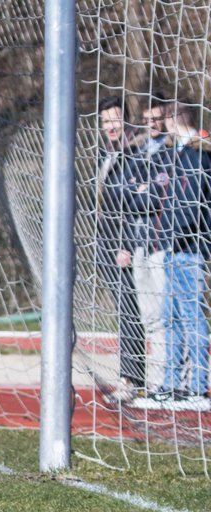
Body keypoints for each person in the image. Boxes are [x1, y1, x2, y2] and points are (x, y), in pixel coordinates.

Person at [144, 101, 210, 411]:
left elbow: (191, 203)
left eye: (164, 119)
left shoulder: (200, 153)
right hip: (171, 249)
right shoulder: (176, 153)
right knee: (169, 318)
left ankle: (198, 385)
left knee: (191, 317)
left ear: (174, 119)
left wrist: (167, 233)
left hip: (189, 250)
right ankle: (170, 384)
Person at [118, 91, 172, 400]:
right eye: (147, 119)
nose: (152, 124)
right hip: (138, 244)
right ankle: (154, 381)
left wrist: (144, 192)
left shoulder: (173, 152)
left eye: (157, 118)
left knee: (166, 315)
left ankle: (170, 379)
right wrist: (143, 192)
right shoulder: (137, 155)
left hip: (161, 244)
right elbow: (128, 197)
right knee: (148, 317)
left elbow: (157, 197)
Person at [95, 95, 146, 403]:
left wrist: (125, 245)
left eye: (115, 120)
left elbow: (135, 207)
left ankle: (131, 379)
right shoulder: (105, 155)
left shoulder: (137, 156)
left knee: (130, 313)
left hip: (124, 248)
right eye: (106, 122)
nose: (110, 127)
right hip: (105, 244)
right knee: (123, 312)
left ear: (127, 120)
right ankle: (129, 376)